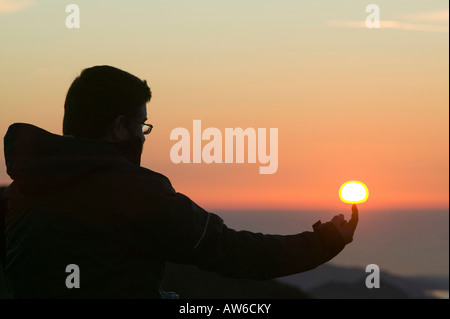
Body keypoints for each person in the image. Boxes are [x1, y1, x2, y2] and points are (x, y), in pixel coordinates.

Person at [0, 65, 358, 298]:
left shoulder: (19, 192)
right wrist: (325, 241)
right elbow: (233, 252)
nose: (142, 137)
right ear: (119, 126)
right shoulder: (136, 192)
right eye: (141, 126)